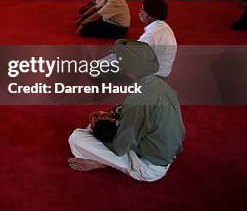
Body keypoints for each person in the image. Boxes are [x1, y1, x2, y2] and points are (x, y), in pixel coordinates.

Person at [68, 40, 186, 182]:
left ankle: (105, 162)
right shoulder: (159, 84)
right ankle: (108, 158)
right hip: (163, 151)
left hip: (150, 167)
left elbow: (119, 147)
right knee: (104, 119)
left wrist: (95, 128)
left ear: (129, 71)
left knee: (77, 138)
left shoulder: (137, 102)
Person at [137, 0, 177, 78]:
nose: (140, 12)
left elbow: (132, 54)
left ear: (151, 15)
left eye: (142, 9)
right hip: (163, 72)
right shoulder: (163, 26)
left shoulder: (152, 35)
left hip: (153, 77)